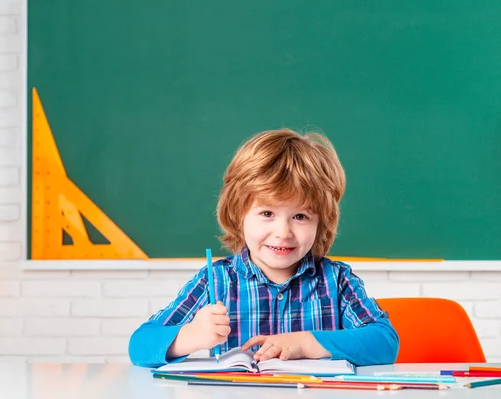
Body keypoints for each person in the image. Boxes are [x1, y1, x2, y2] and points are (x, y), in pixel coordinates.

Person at [128, 128, 399, 368]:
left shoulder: (336, 280)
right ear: (238, 214)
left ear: (321, 223)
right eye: (267, 213)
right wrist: (191, 336)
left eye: (300, 216)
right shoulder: (217, 281)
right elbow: (140, 346)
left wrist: (306, 343)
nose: (283, 233)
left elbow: (385, 343)